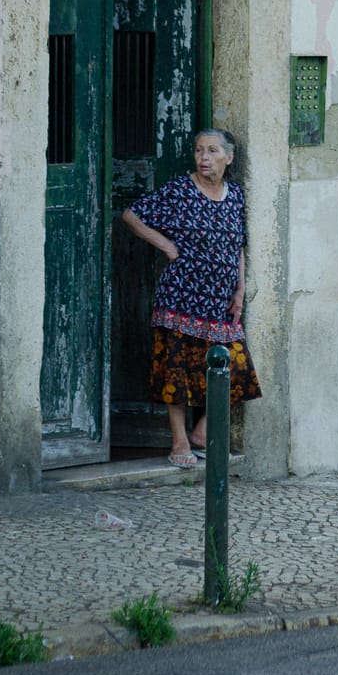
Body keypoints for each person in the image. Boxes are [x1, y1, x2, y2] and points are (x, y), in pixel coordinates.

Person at [120, 127, 262, 468]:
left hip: (220, 301)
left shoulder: (235, 195)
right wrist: (167, 246)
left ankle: (201, 433)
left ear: (229, 158)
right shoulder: (180, 190)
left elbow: (238, 245)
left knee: (235, 370)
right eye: (199, 150)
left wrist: (240, 288)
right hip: (180, 297)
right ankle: (180, 441)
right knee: (177, 372)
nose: (204, 157)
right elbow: (131, 216)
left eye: (212, 151)